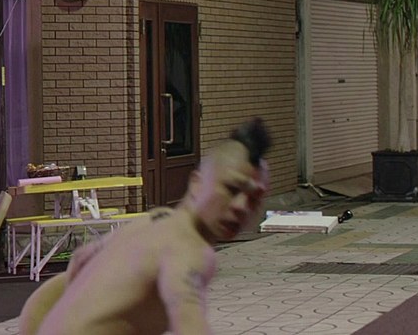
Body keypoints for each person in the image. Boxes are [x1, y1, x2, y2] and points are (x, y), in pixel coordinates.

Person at [20, 118, 272, 335]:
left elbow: (78, 261)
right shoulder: (189, 250)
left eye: (254, 198)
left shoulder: (154, 220)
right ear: (196, 183)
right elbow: (189, 320)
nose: (242, 207)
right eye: (231, 189)